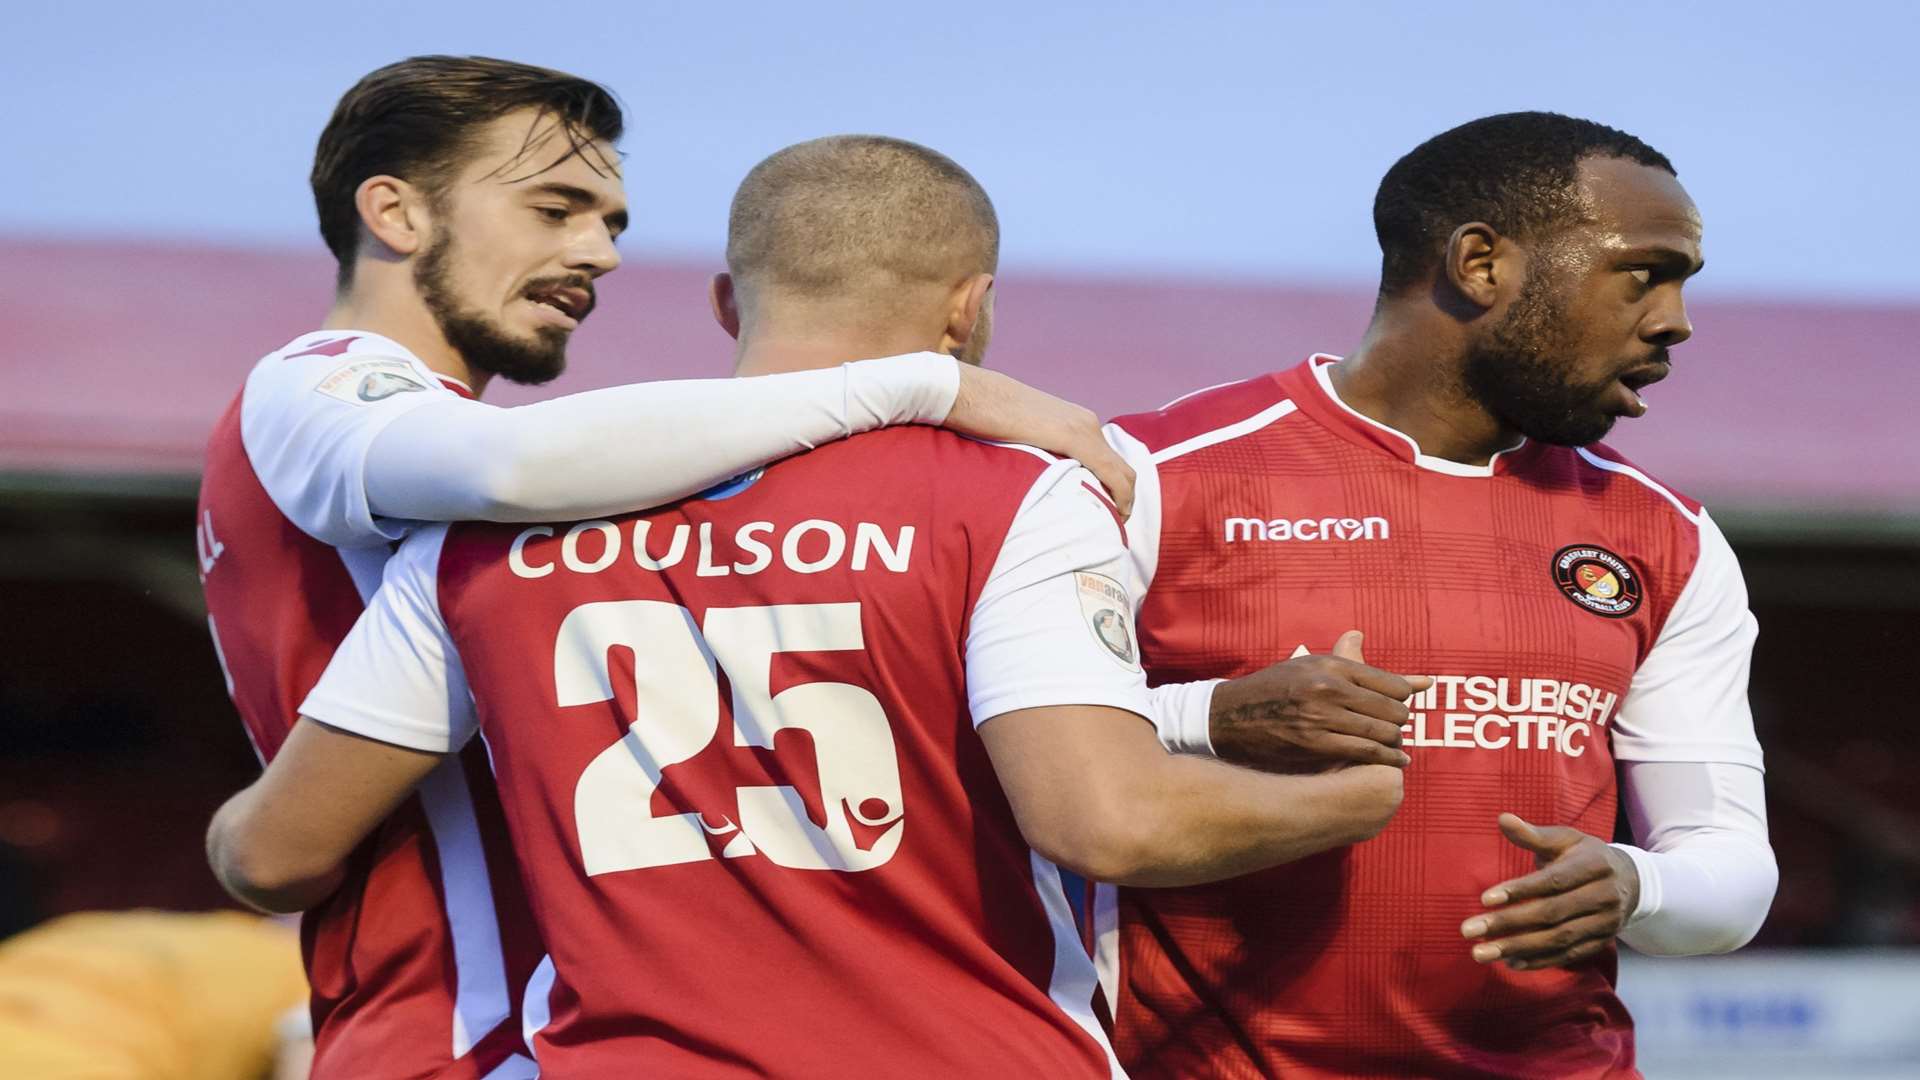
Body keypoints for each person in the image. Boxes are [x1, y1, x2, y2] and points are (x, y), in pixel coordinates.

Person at [206, 134, 1404, 1077]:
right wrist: (1360, 803)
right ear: (968, 307)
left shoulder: (478, 543)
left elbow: (275, 853)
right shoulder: (1014, 498)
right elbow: (1108, 819)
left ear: (729, 304)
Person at [1097, 111, 1780, 1078]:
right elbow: (1004, 754)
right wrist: (1209, 715)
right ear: (1480, 264)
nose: (1676, 320)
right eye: (1644, 273)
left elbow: (1729, 867)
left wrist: (1637, 884)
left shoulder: (1664, 533)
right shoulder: (1152, 475)